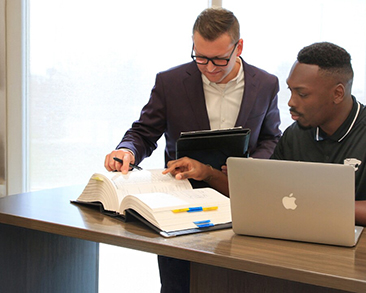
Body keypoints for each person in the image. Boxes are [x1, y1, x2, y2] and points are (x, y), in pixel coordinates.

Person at [165, 41, 366, 292]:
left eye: (302, 94)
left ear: (337, 93)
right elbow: (263, 194)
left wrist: (328, 209)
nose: (291, 102)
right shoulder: (297, 134)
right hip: (313, 266)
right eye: (291, 90)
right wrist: (208, 173)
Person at [104, 8, 282, 292]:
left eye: (220, 59)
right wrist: (127, 151)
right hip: (179, 205)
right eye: (200, 58)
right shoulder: (170, 82)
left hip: (240, 202)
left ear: (240, 47)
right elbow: (143, 132)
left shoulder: (266, 84)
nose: (210, 68)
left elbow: (272, 138)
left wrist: (251, 169)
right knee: (178, 286)